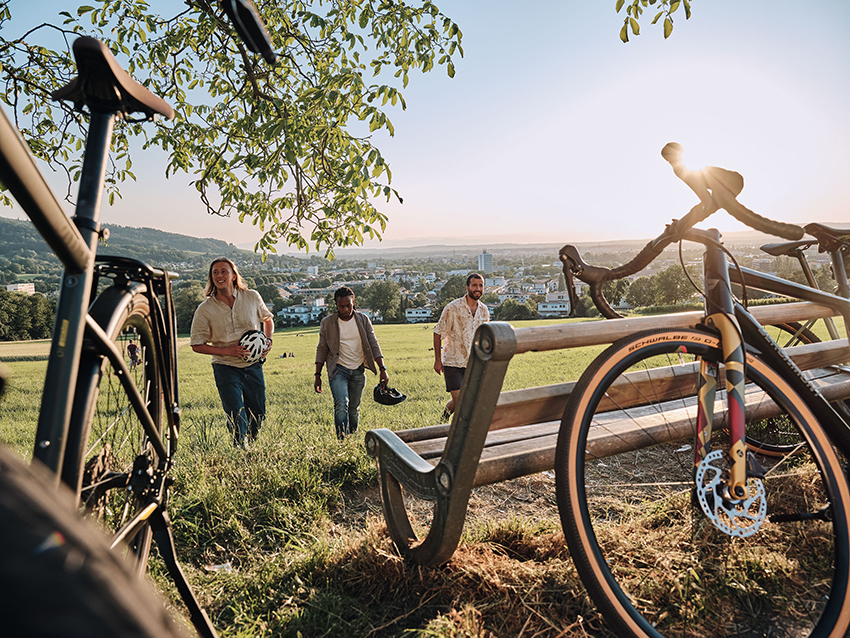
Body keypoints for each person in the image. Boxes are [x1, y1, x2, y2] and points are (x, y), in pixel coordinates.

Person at [190, 257, 274, 446]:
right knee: (236, 412)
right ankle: (239, 447)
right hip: (225, 366)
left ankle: (251, 444)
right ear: (211, 278)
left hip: (253, 365)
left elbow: (267, 320)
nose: (219, 275)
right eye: (215, 272)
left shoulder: (252, 296)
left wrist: (268, 340)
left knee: (258, 413)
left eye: (223, 271)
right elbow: (197, 344)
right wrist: (230, 350)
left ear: (234, 275)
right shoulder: (205, 310)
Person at [314, 286, 389, 439]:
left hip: (358, 370)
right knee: (341, 405)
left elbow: (373, 344)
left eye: (349, 305)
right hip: (338, 370)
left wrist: (382, 368)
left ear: (353, 302)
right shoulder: (327, 323)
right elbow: (322, 348)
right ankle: (343, 440)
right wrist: (317, 374)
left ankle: (352, 438)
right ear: (336, 305)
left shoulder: (362, 319)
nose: (346, 309)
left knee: (353, 409)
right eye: (342, 306)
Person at [433, 273, 490, 418]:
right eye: (474, 285)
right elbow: (438, 333)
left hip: (474, 363)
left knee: (467, 400)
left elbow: (485, 337)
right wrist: (438, 360)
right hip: (453, 362)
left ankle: (444, 417)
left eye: (481, 285)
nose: (478, 288)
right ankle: (459, 432)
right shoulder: (452, 308)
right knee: (460, 401)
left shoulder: (484, 311)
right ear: (467, 287)